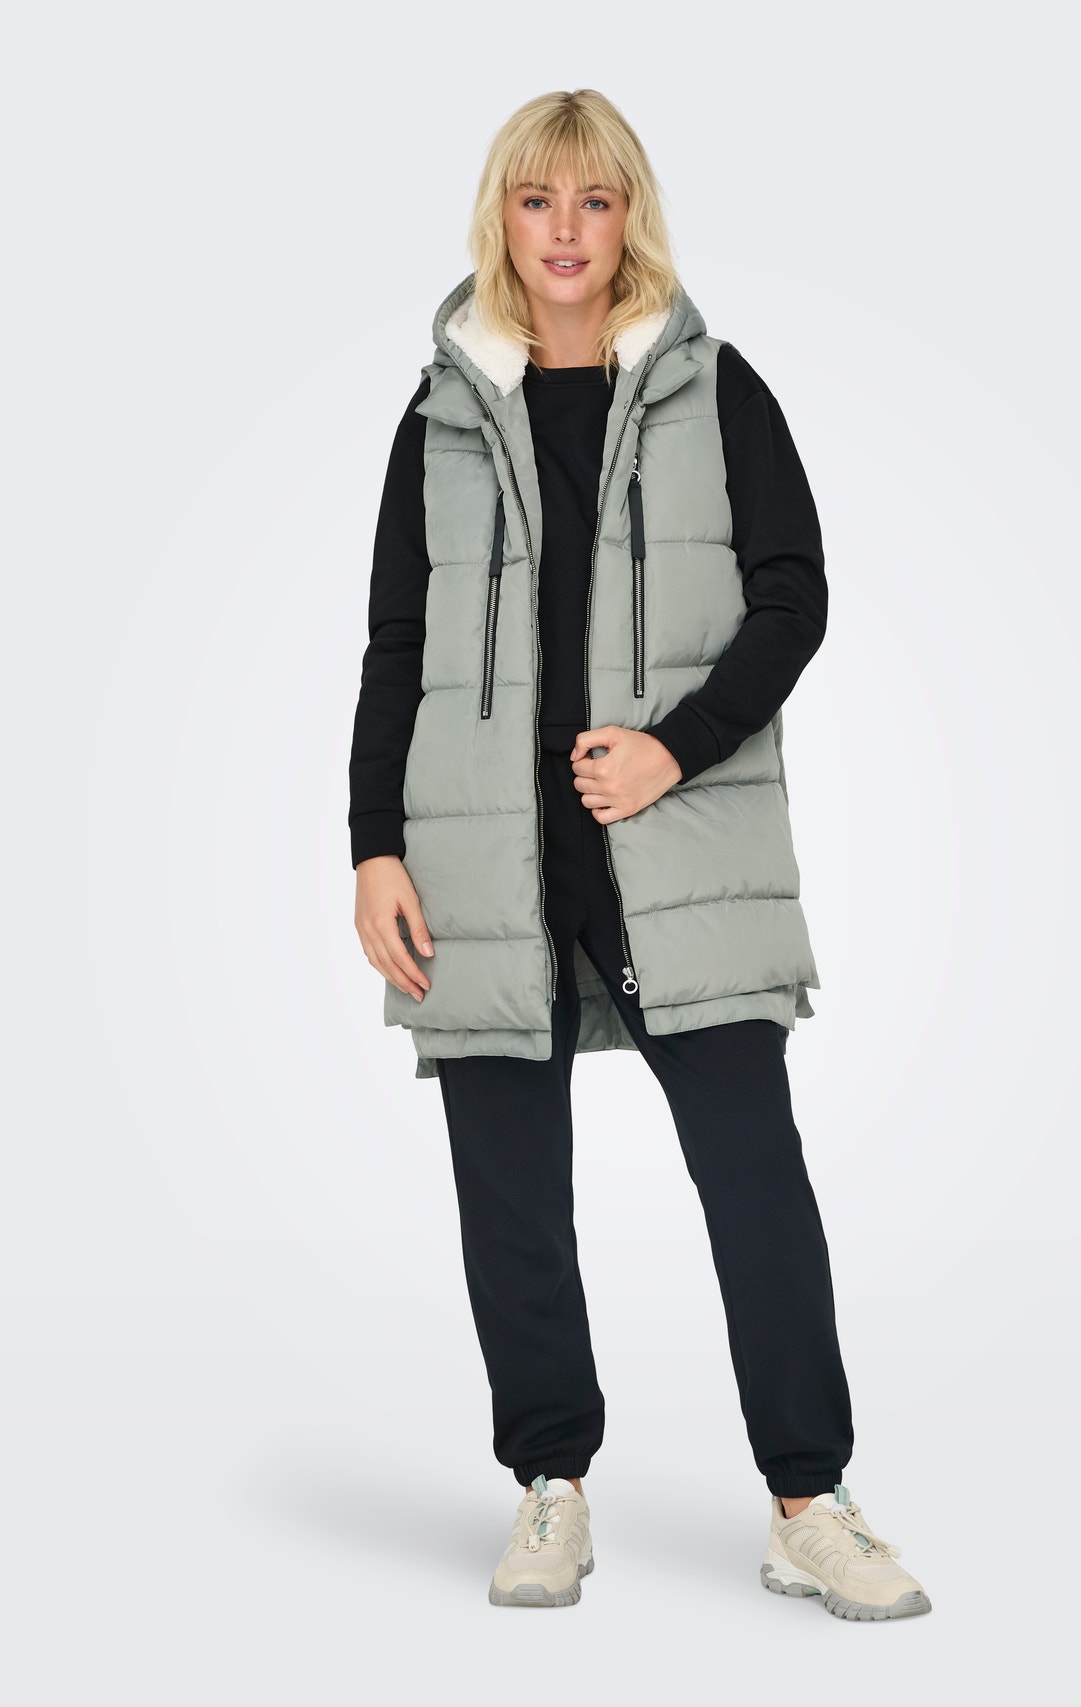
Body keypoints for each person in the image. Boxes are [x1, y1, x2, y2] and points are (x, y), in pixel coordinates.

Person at [348, 88, 931, 1620]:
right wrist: (373, 848)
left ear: (630, 219)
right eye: (537, 200)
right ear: (502, 217)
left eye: (594, 201)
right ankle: (551, 1485)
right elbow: (397, 646)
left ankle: (809, 1502)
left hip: (675, 848)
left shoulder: (714, 389)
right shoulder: (438, 419)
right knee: (511, 1196)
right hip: (486, 862)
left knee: (753, 1176)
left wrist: (677, 744)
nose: (565, 231)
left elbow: (794, 596)